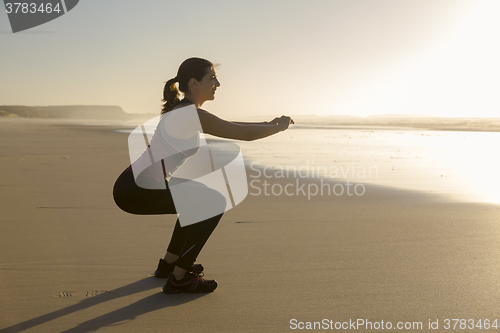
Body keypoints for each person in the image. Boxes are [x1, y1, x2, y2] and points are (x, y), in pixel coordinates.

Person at [113, 57, 293, 294]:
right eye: (212, 78)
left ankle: (169, 264)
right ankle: (180, 277)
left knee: (198, 199)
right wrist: (277, 128)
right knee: (213, 202)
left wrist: (267, 123)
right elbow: (243, 134)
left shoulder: (186, 111)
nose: (217, 83)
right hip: (137, 189)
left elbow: (229, 125)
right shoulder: (188, 114)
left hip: (133, 185)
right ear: (194, 83)